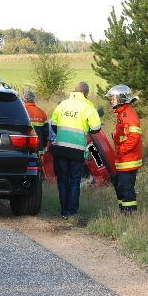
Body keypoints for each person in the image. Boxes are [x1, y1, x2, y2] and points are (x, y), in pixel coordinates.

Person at [49, 82, 102, 218]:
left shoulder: (63, 104)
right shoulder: (88, 107)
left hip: (61, 148)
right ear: (86, 93)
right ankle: (71, 212)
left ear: (74, 91)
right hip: (77, 150)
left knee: (62, 179)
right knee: (74, 180)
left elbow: (54, 126)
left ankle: (63, 211)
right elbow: (96, 128)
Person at [105, 84, 142, 214]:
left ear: (121, 98)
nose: (111, 100)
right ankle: (124, 213)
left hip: (128, 159)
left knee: (126, 189)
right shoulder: (122, 114)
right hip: (123, 158)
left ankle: (129, 215)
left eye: (113, 98)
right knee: (121, 187)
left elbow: (134, 137)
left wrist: (121, 150)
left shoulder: (128, 114)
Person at [22, 89, 48, 154]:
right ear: (34, 99)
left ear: (24, 98)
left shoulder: (20, 111)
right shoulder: (42, 113)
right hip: (38, 149)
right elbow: (46, 133)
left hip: (22, 148)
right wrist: (43, 145)